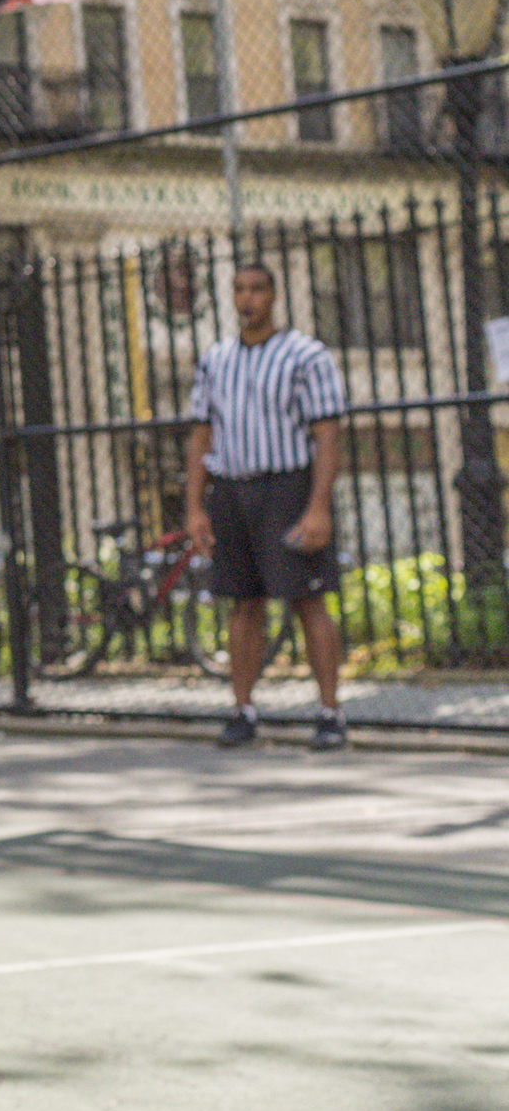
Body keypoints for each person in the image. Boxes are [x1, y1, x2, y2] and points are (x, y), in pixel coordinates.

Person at [184, 261, 349, 749]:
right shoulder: (215, 360)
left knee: (308, 599)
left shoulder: (306, 355)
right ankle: (243, 710)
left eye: (256, 289)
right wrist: (195, 508)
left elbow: (328, 434)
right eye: (238, 289)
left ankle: (330, 712)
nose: (246, 298)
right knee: (242, 603)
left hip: (287, 488)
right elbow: (199, 435)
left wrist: (317, 507)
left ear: (273, 295)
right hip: (231, 490)